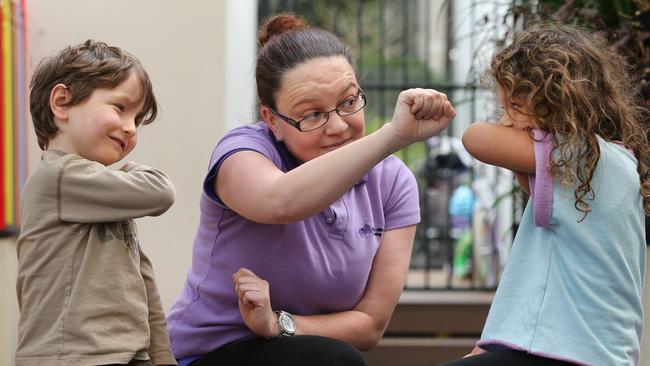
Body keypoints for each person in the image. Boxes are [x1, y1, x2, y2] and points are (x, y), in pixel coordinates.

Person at [166, 13, 456, 366]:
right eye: (312, 115)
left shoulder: (392, 182)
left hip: (302, 349)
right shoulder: (243, 151)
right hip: (209, 355)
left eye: (349, 102)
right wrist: (394, 135)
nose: (337, 126)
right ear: (271, 120)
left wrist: (278, 324)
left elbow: (369, 325)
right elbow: (279, 201)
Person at [443, 24, 649, 366]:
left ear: (556, 103)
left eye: (515, 107)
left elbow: (475, 137)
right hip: (582, 349)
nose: (506, 121)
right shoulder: (612, 162)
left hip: (566, 351)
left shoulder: (579, 157)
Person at [16, 40, 176, 366]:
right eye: (120, 108)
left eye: (138, 119)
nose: (130, 128)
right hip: (72, 357)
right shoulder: (59, 176)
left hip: (125, 355)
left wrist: (162, 357)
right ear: (62, 103)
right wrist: (136, 170)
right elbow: (161, 191)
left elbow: (145, 288)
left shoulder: (105, 196)